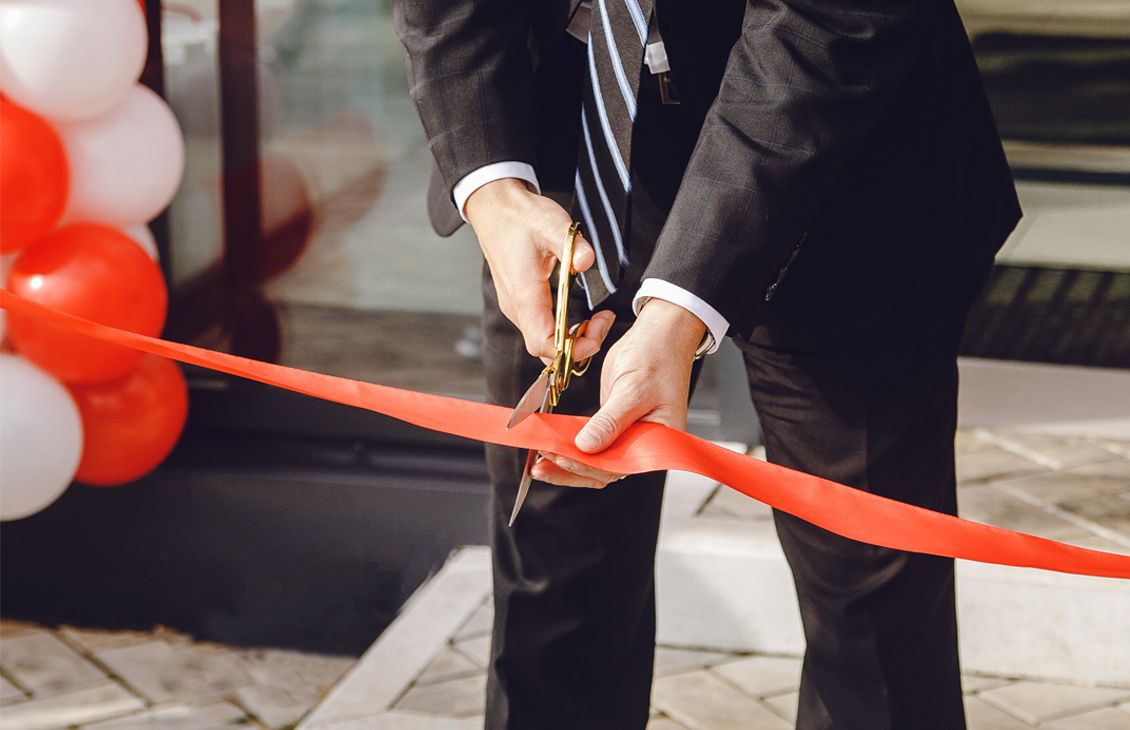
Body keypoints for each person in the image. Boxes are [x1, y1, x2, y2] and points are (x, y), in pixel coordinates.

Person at [395, 1, 1021, 728]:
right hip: (577, 161)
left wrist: (679, 309)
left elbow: (824, 25)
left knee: (870, 601)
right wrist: (492, 189)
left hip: (843, 161)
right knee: (553, 579)